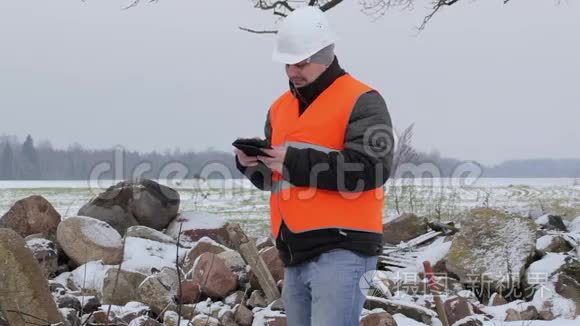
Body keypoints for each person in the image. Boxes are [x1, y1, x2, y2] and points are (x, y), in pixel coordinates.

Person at [234, 6, 394, 326]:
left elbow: (372, 167)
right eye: (287, 63)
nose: (293, 70)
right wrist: (251, 165)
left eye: (301, 62)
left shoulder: (363, 99)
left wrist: (290, 159)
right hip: (295, 251)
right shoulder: (279, 108)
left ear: (326, 54)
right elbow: (276, 179)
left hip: (343, 248)